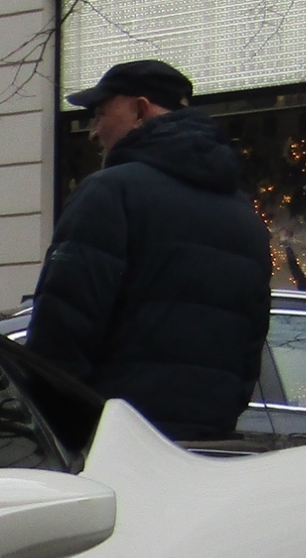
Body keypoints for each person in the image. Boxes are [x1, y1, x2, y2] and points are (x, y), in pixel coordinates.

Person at [25, 58, 272, 443]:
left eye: (100, 114)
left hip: (114, 446)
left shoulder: (109, 193)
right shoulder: (245, 215)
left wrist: (56, 430)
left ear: (140, 110)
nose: (93, 132)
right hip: (207, 447)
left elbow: (61, 333)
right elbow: (250, 345)